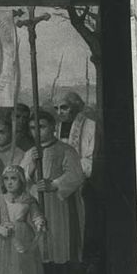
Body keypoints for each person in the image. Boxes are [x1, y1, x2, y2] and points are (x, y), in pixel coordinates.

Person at [21, 109, 84, 274]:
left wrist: (54, 184)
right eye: (32, 128)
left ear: (53, 127)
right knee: (41, 249)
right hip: (37, 207)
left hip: (59, 207)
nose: (36, 132)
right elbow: (20, 180)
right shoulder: (29, 153)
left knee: (59, 247)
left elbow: (76, 175)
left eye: (41, 127)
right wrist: (31, 164)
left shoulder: (65, 150)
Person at [54, 91, 100, 259]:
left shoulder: (90, 126)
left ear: (75, 107)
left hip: (84, 185)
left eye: (64, 108)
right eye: (57, 108)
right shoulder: (57, 128)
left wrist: (70, 173)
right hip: (60, 185)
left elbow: (90, 159)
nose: (60, 112)